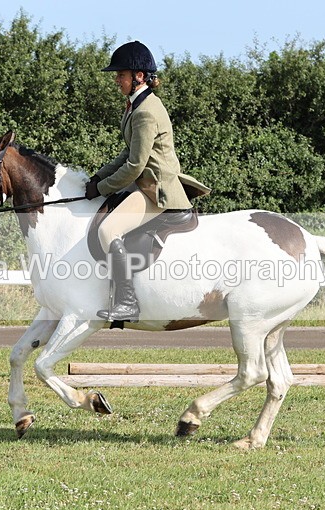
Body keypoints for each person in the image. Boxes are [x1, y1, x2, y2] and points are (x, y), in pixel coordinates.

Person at [86, 40, 210, 322]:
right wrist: (99, 175)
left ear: (139, 77)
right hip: (144, 183)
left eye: (121, 75)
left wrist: (102, 189)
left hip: (158, 190)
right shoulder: (135, 106)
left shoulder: (145, 111)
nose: (117, 80)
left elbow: (134, 165)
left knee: (108, 232)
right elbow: (127, 152)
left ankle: (127, 302)